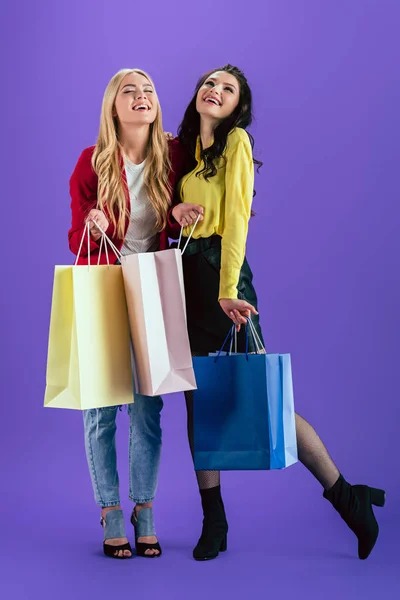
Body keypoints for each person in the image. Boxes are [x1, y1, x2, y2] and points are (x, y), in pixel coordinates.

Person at [168, 64, 386, 562]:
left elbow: (238, 220)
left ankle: (348, 498)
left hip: (222, 279)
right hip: (186, 281)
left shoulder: (236, 143)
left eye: (227, 88)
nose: (215, 89)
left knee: (258, 399)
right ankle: (214, 522)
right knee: (197, 403)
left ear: (237, 105)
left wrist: (227, 289)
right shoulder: (189, 151)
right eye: (210, 82)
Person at [68, 68, 181, 559]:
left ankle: (145, 508)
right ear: (113, 107)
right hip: (106, 287)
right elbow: (75, 239)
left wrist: (182, 213)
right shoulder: (92, 163)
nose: (141, 97)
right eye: (129, 92)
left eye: (149, 90)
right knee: (100, 407)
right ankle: (110, 509)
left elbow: (182, 208)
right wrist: (91, 224)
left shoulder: (172, 157)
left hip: (152, 288)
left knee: (148, 405)